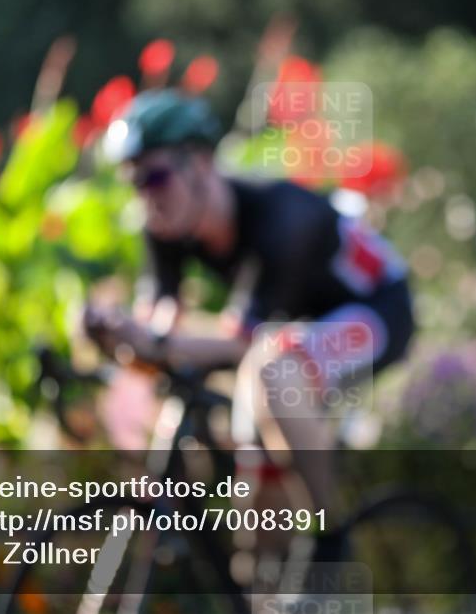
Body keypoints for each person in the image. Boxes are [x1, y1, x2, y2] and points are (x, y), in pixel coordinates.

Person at [83, 89, 414, 563]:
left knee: (272, 370)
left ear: (199, 164)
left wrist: (154, 341)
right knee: (253, 440)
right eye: (133, 182)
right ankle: (261, 575)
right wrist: (112, 331)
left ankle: (330, 538)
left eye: (154, 177)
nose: (145, 197)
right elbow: (160, 323)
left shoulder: (280, 217)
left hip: (376, 308)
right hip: (295, 326)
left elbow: (236, 343)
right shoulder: (164, 224)